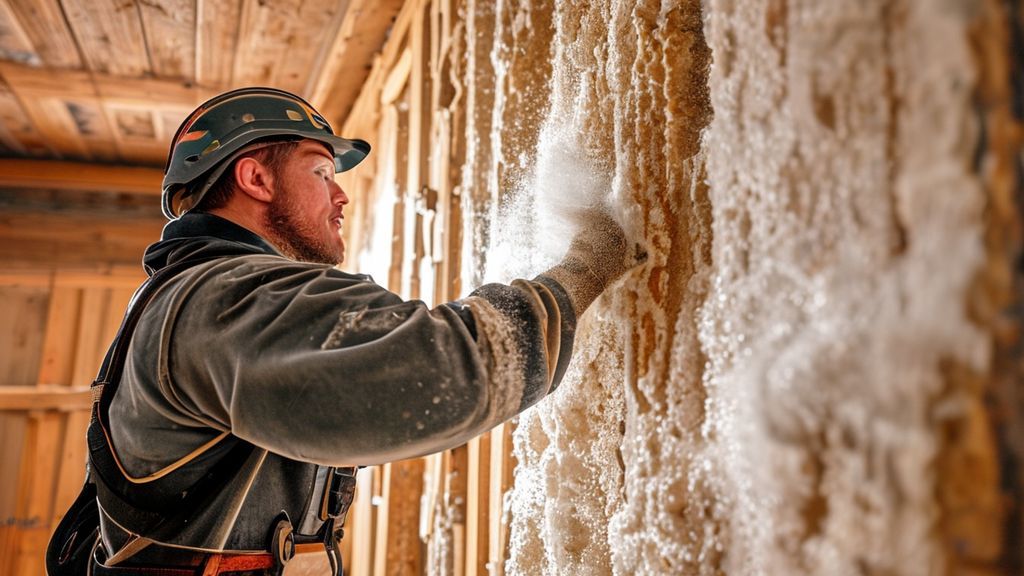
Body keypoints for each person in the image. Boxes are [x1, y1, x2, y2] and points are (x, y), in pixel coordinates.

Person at [50, 87, 631, 576]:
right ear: (255, 177)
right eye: (322, 170)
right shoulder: (227, 300)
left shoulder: (188, 299)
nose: (341, 193)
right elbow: (450, 368)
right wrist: (585, 268)